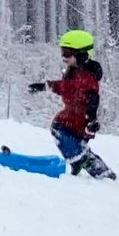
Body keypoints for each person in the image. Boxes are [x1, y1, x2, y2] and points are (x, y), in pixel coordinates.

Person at [30, 30, 109, 175]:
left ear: (80, 54)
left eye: (67, 53)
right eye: (62, 52)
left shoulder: (86, 78)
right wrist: (44, 86)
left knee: (63, 133)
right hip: (70, 117)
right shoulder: (74, 71)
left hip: (79, 121)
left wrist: (91, 119)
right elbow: (64, 87)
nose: (63, 57)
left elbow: (93, 98)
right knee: (63, 133)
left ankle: (89, 165)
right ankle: (80, 160)